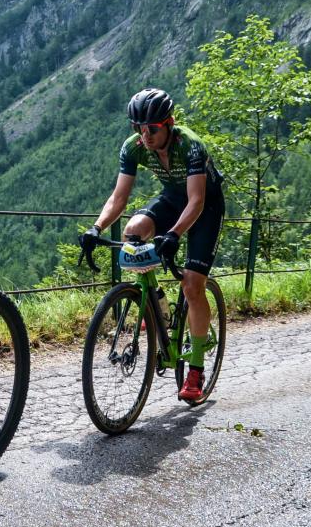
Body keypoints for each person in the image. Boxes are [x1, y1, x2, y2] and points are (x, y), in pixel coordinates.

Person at [79, 88, 225, 401]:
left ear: (169, 124)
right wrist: (96, 227)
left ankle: (196, 372)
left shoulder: (190, 145)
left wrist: (173, 234)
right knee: (133, 230)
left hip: (205, 206)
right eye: (138, 129)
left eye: (152, 129)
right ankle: (155, 306)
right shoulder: (133, 148)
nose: (144, 135)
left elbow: (197, 200)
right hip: (174, 198)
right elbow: (119, 198)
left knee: (192, 286)